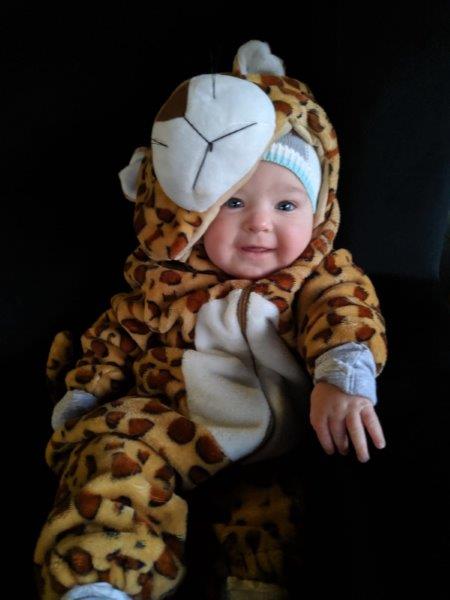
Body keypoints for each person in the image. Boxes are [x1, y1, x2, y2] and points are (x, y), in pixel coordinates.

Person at [34, 40, 388, 599]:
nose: (261, 226)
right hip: (168, 424)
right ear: (195, 214)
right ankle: (103, 576)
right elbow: (113, 336)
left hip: (272, 451)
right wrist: (84, 392)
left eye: (287, 205)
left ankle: (251, 582)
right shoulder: (163, 278)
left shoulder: (313, 274)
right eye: (235, 203)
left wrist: (340, 375)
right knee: (116, 459)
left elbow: (346, 308)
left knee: (268, 522)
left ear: (317, 211)